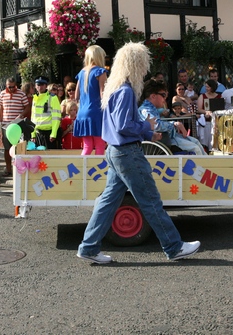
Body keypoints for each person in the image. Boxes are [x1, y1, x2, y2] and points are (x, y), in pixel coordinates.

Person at [77, 42, 200, 264]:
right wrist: (147, 128)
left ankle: (88, 247)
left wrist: (145, 131)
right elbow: (125, 126)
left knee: (108, 201)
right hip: (127, 153)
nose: (145, 69)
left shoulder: (115, 89)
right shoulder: (125, 91)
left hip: (115, 151)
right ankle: (173, 246)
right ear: (136, 65)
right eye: (143, 64)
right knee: (150, 200)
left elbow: (117, 125)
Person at [139, 80, 206, 155]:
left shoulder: (151, 108)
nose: (165, 98)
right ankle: (203, 166)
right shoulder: (146, 109)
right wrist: (174, 124)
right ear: (153, 96)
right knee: (195, 149)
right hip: (162, 142)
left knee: (196, 142)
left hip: (168, 138)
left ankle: (208, 166)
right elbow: (156, 125)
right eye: (163, 95)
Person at [74, 45, 108, 156]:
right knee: (100, 145)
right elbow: (103, 94)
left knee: (87, 146)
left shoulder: (81, 72)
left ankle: (83, 170)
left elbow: (76, 96)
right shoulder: (100, 71)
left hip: (82, 113)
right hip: (96, 112)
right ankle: (99, 171)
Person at [0, 78, 30, 176]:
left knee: (18, 147)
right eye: (9, 87)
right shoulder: (2, 94)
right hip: (6, 125)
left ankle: (19, 168)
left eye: (13, 86)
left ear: (15, 85)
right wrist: (0, 120)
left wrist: (21, 115)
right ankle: (8, 169)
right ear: (6, 85)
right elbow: (1, 107)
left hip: (17, 125)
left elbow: (27, 107)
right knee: (7, 148)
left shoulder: (21, 94)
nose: (11, 89)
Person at [32, 77, 62, 149]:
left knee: (50, 158)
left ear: (46, 86)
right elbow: (32, 117)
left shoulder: (53, 98)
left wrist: (53, 133)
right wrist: (33, 134)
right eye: (38, 84)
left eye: (42, 84)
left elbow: (56, 117)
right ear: (35, 86)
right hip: (38, 133)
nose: (40, 87)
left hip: (49, 134)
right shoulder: (35, 98)